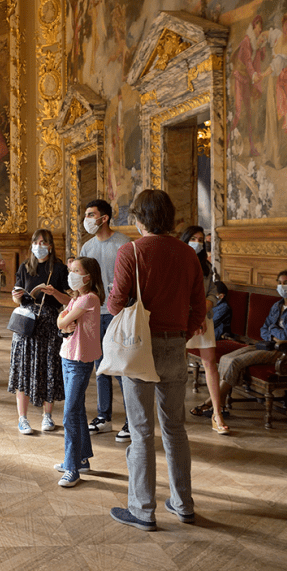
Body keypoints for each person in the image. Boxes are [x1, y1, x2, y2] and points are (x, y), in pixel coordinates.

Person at [106, 189, 205, 531]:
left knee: (142, 430)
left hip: (139, 348)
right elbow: (199, 306)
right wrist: (182, 333)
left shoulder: (131, 251)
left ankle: (143, 509)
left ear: (138, 218)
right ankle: (183, 503)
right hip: (176, 345)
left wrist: (110, 304)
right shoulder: (187, 254)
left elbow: (117, 303)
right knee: (176, 429)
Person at [213, 270, 287, 416]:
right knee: (227, 358)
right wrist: (273, 333)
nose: (282, 286)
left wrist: (272, 330)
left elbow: (286, 336)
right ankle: (220, 406)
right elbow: (263, 330)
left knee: (236, 362)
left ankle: (212, 403)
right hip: (269, 345)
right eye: (280, 283)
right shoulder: (277, 305)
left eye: (286, 283)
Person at [9, 229, 70, 435]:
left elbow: (70, 300)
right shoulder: (25, 267)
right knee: (23, 369)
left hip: (49, 324)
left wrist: (56, 293)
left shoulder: (60, 269)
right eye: (36, 242)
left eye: (43, 242)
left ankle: (47, 415)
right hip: (26, 324)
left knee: (48, 369)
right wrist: (17, 296)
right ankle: (22, 418)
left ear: (50, 246)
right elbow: (17, 298)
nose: (39, 245)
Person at [79, 199, 131, 440]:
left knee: (120, 367)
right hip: (93, 313)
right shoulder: (87, 248)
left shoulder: (123, 244)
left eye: (92, 214)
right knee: (99, 367)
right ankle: (104, 416)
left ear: (105, 218)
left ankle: (131, 420)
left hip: (117, 314)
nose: (87, 219)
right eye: (86, 214)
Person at [55, 256, 105, 487]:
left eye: (77, 270)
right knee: (76, 410)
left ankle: (72, 468)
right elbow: (60, 320)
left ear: (89, 276)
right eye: (70, 270)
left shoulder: (90, 299)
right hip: (68, 356)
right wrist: (64, 320)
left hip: (80, 360)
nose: (71, 274)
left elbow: (62, 322)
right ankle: (81, 459)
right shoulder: (76, 298)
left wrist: (64, 320)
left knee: (70, 414)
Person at [180, 226, 229, 434]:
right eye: (193, 238)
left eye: (200, 239)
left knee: (210, 364)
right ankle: (175, 412)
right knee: (178, 366)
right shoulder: (176, 262)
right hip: (182, 319)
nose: (197, 242)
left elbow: (212, 293)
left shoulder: (207, 266)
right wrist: (193, 315)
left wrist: (200, 314)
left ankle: (217, 413)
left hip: (203, 320)